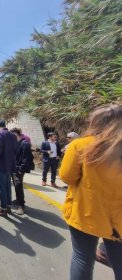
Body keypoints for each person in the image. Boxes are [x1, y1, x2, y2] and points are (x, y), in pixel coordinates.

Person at [59, 104, 122, 279]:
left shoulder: (81, 145)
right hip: (118, 220)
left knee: (82, 258)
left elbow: (67, 177)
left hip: (86, 212)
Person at [0, 120, 17, 217]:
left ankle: (3, 209)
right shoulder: (13, 135)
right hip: (9, 165)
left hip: (1, 165)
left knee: (2, 188)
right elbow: (15, 150)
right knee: (7, 187)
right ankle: (8, 207)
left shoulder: (0, 135)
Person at [10, 128, 33, 215]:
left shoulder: (25, 144)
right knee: (16, 184)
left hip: (19, 169)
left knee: (18, 184)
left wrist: (20, 169)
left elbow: (26, 159)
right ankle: (17, 199)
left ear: (16, 134)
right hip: (14, 167)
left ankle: (21, 205)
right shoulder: (15, 143)